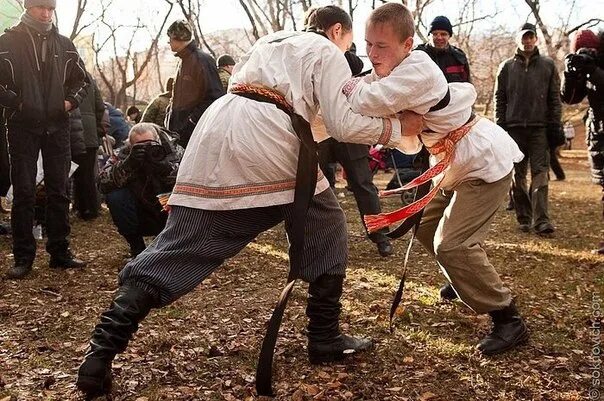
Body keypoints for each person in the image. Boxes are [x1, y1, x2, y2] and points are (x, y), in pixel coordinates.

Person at [76, 6, 416, 399]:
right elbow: (340, 124)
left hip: (218, 126)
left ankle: (98, 355)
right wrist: (398, 130)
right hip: (268, 136)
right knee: (328, 227)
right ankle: (324, 336)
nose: (353, 48)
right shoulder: (327, 52)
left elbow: (305, 116)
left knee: (181, 244)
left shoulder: (269, 42)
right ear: (337, 30)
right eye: (351, 40)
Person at [342, 2, 528, 356]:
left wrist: (345, 87)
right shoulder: (394, 68)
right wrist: (357, 81)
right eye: (368, 43)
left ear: (408, 44)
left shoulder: (417, 70)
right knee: (426, 228)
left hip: (482, 163)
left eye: (382, 46)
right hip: (451, 162)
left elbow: (367, 98)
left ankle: (508, 318)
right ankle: (464, 282)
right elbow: (369, 83)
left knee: (451, 244)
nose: (372, 53)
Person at [0, 0, 89, 279]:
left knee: (59, 190)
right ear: (28, 8)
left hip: (57, 126)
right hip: (21, 126)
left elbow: (83, 81)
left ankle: (60, 252)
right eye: (41, 8)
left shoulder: (64, 44)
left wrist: (69, 102)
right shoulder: (6, 42)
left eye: (50, 9)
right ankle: (23, 257)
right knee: (24, 192)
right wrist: (19, 104)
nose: (46, 13)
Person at [494, 22, 562, 236]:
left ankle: (542, 220)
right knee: (518, 175)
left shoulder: (548, 65)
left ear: (536, 39)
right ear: (518, 39)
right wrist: (500, 126)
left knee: (541, 174)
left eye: (531, 37)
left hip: (539, 128)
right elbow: (500, 98)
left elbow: (555, 98)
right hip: (513, 129)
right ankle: (524, 217)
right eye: (524, 37)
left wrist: (554, 125)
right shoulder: (506, 67)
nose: (528, 40)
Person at [99, 123, 183, 258]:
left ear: (158, 141)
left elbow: (192, 179)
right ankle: (136, 248)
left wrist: (167, 169)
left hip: (169, 207)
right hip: (139, 209)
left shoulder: (173, 151)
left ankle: (173, 245)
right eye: (140, 146)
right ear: (130, 146)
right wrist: (128, 164)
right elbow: (102, 183)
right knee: (116, 197)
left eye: (151, 144)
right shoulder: (123, 154)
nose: (147, 149)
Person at [561, 29, 604, 254]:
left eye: (591, 50)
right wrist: (570, 74)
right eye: (581, 51)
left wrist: (593, 69)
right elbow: (569, 98)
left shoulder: (597, 67)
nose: (587, 53)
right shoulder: (583, 69)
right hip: (597, 133)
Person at [165, 20, 224, 148]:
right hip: (181, 135)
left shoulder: (202, 60)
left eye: (170, 37)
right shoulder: (183, 61)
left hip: (195, 136)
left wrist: (191, 122)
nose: (168, 42)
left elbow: (214, 97)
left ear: (178, 37)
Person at [73, 73, 105, 220]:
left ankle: (80, 207)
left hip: (72, 130)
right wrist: (96, 126)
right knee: (88, 173)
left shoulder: (64, 72)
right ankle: (90, 208)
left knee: (73, 172)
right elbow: (100, 106)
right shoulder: (89, 78)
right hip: (90, 131)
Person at [415, 16, 471, 83]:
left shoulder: (459, 58)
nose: (439, 37)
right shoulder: (417, 55)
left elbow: (467, 87)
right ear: (429, 36)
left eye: (443, 34)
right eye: (435, 34)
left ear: (449, 36)